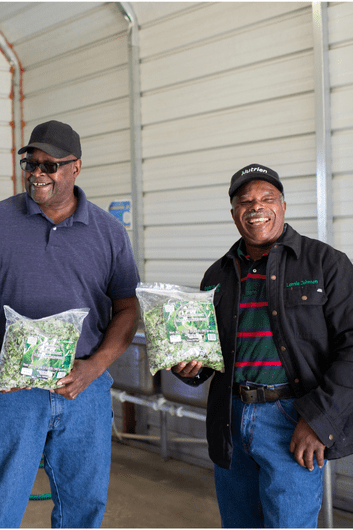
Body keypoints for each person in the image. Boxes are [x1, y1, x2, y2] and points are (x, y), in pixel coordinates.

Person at [0, 120, 140, 528]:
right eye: (30, 163)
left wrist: (94, 368)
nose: (37, 173)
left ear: (76, 167)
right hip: (13, 387)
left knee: (82, 506)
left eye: (50, 165)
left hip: (83, 389)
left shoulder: (108, 232)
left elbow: (128, 309)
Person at [171, 164, 353, 528]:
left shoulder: (325, 263)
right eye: (245, 201)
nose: (256, 207)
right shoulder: (218, 274)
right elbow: (211, 354)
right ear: (234, 213)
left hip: (293, 418)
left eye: (267, 198)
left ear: (283, 205)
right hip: (230, 417)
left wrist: (318, 420)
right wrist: (189, 367)